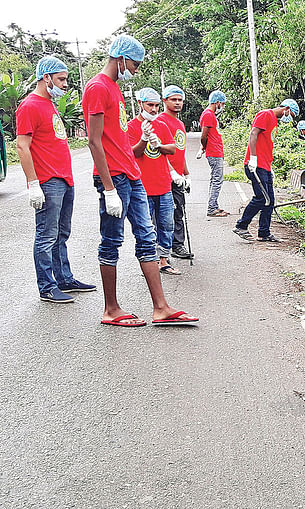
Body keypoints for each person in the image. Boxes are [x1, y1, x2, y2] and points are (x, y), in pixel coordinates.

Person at [82, 34, 198, 326]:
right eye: (134, 63)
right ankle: (111, 309)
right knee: (112, 240)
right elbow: (94, 142)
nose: (135, 69)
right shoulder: (97, 87)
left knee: (147, 237)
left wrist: (144, 143)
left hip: (131, 175)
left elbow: (118, 142)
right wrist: (108, 189)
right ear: (120, 57)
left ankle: (161, 307)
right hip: (114, 180)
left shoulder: (114, 89)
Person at [16, 55, 96, 303]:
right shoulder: (30, 106)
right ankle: (47, 286)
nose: (65, 84)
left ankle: (64, 278)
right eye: (61, 79)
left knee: (61, 233)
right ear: (46, 77)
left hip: (64, 179)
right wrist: (33, 184)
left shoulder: (49, 104)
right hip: (48, 181)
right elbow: (21, 146)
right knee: (46, 235)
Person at [128, 87, 181, 275]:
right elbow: (132, 153)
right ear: (140, 104)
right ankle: (149, 263)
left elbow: (173, 149)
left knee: (167, 224)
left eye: (157, 105)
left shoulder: (162, 125)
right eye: (150, 105)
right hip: (142, 187)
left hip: (164, 184)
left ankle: (164, 260)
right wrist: (144, 139)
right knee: (146, 228)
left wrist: (159, 144)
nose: (154, 109)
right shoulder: (131, 126)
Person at [233, 99, 299, 242]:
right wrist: (253, 158)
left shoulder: (274, 121)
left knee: (270, 201)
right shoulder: (265, 114)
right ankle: (241, 226)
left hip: (265, 166)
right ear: (286, 108)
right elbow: (253, 134)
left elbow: (266, 144)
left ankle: (264, 232)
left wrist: (270, 167)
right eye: (291, 115)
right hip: (256, 164)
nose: (289, 118)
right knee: (262, 198)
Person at [158, 85, 193, 260]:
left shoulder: (179, 123)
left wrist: (186, 174)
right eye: (174, 99)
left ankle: (177, 244)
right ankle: (164, 247)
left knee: (179, 210)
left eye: (180, 100)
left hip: (178, 176)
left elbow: (181, 151)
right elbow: (158, 151)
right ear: (165, 101)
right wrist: (172, 172)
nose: (177, 103)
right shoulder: (160, 121)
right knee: (164, 214)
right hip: (163, 175)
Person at [200, 90, 228, 217]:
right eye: (222, 104)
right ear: (217, 102)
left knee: (215, 179)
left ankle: (214, 206)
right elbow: (203, 136)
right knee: (217, 180)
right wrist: (204, 147)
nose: (222, 106)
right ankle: (212, 208)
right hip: (214, 152)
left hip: (216, 150)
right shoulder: (208, 115)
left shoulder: (210, 115)